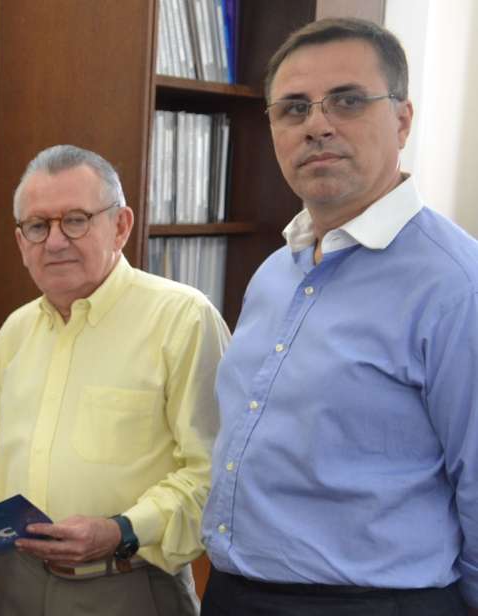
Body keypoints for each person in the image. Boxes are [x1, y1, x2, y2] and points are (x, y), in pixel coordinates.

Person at [200, 18, 478, 615]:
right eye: (294, 108)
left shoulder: (458, 286)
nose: (317, 125)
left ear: (402, 120)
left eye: (347, 101)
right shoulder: (275, 271)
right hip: (234, 592)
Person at [0, 145, 228, 616]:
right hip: (15, 584)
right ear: (20, 240)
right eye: (38, 226)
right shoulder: (16, 332)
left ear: (121, 225)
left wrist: (122, 530)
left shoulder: (183, 320)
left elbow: (212, 473)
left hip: (128, 583)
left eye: (76, 221)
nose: (55, 241)